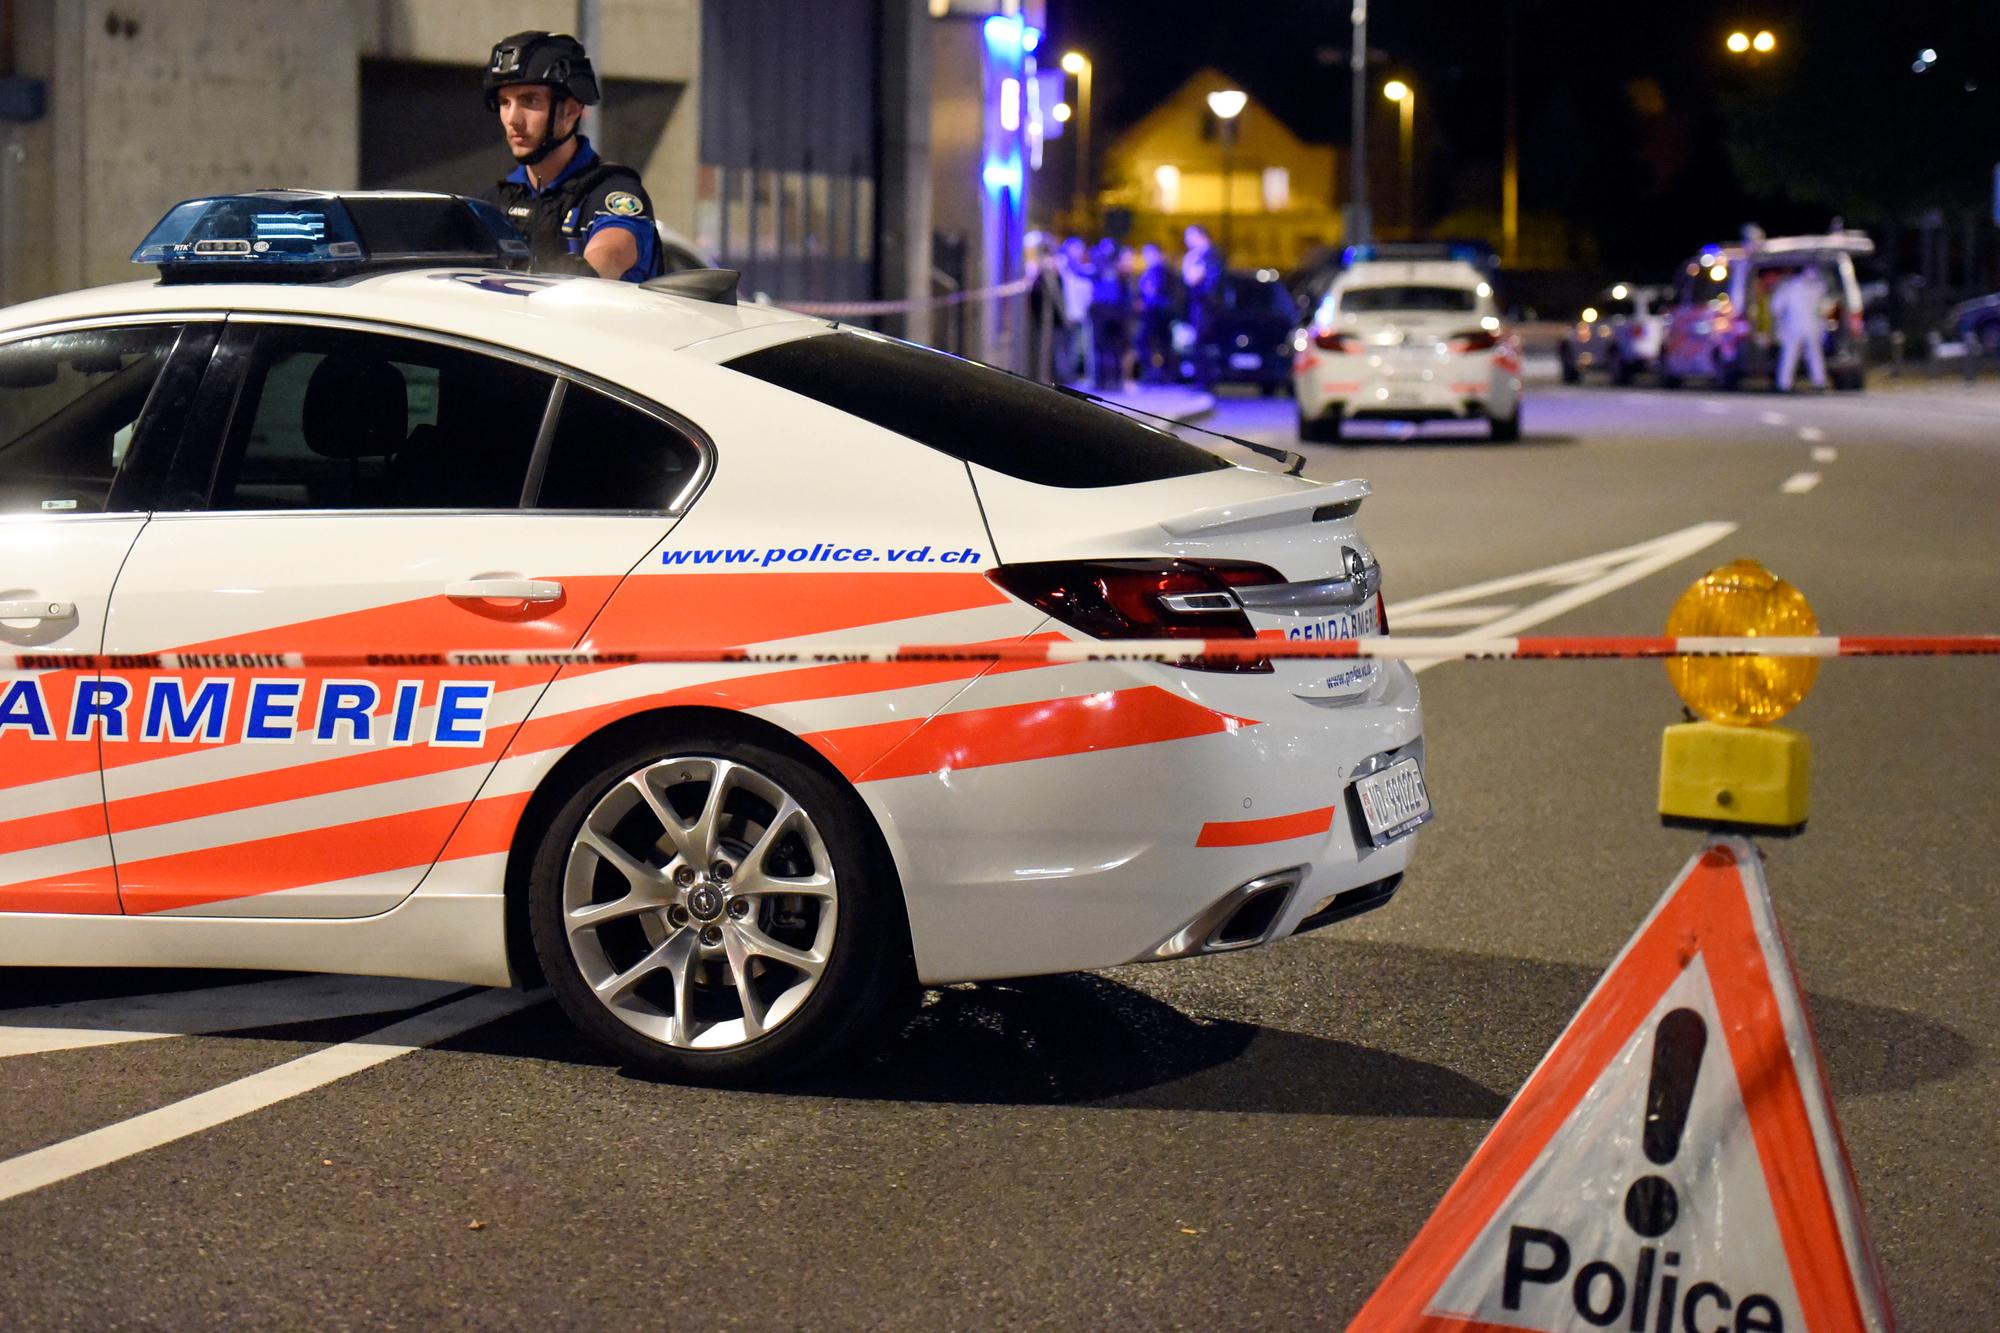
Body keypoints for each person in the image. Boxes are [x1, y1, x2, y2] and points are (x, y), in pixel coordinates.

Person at [481, 31, 660, 282]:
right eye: (504, 102)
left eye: (530, 101)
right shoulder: (494, 202)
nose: (512, 119)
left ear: (572, 110)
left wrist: (584, 270)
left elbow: (610, 254)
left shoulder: (612, 194)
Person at [1771, 265, 1829, 392]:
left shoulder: (1789, 287)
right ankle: (1819, 382)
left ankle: (1784, 384)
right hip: (1811, 325)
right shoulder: (1818, 287)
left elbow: (1776, 307)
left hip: (1795, 325)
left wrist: (1780, 322)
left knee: (1790, 355)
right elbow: (1825, 307)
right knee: (1814, 355)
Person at [1087, 237, 1132, 390]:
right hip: (1104, 311)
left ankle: (1114, 380)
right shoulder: (1099, 268)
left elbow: (1126, 292)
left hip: (1113, 312)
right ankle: (1104, 380)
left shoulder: (1118, 269)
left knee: (1113, 348)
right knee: (1102, 347)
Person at [1135, 243, 1178, 383]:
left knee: (1160, 343)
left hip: (1160, 313)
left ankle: (1164, 374)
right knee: (1148, 342)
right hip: (1150, 313)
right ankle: (1154, 373)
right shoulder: (1148, 272)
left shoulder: (1165, 272)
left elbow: (1168, 293)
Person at [1056, 237, 1096, 383]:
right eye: (1075, 248)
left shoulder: (1084, 269)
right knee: (1063, 347)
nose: (1077, 252)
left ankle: (1072, 375)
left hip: (1080, 315)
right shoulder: (1060, 266)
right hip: (1064, 314)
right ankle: (1064, 377)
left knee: (1077, 347)